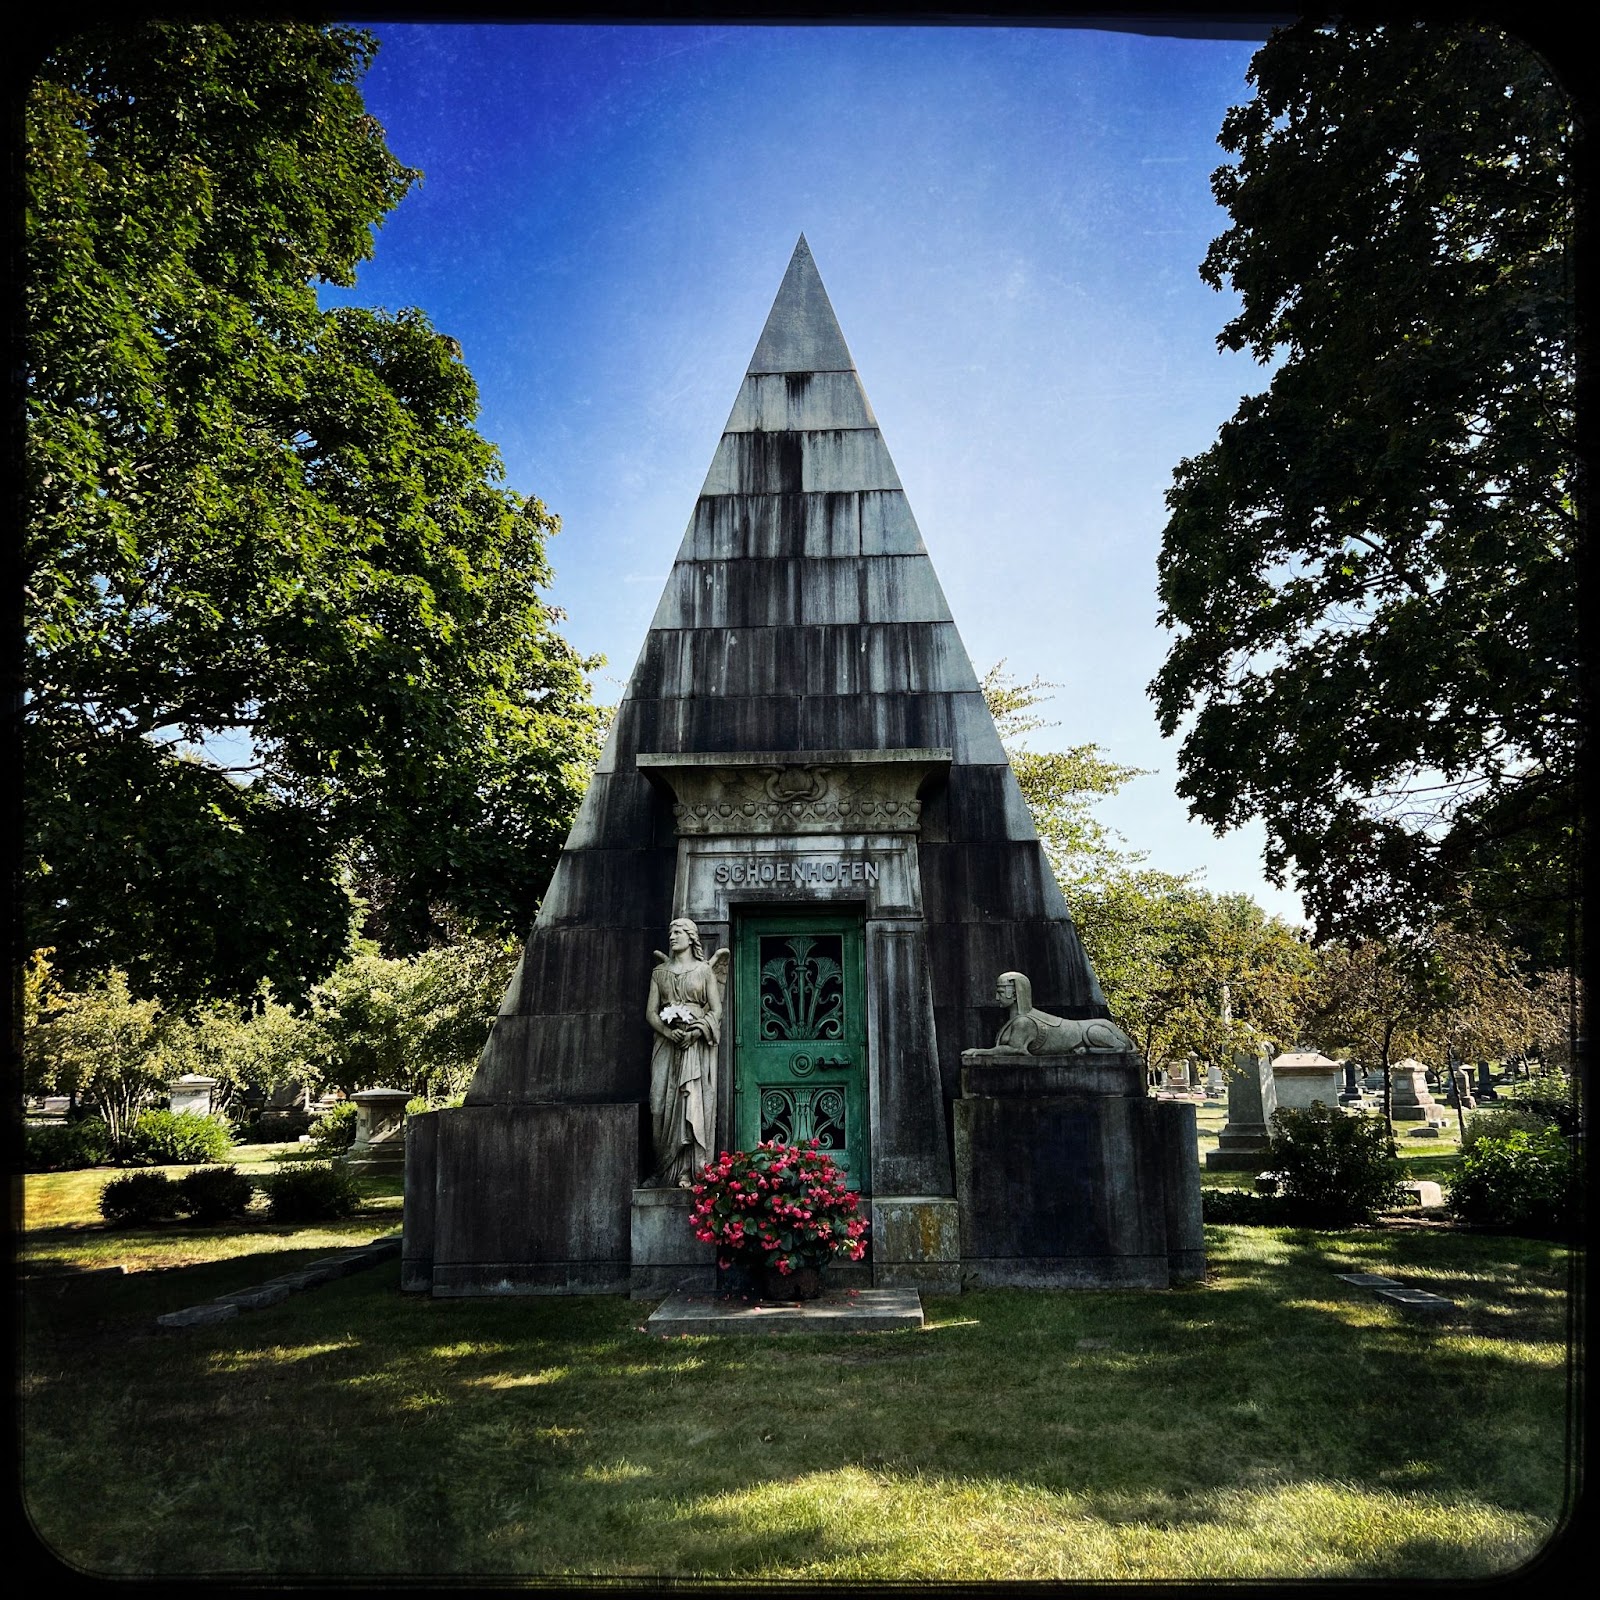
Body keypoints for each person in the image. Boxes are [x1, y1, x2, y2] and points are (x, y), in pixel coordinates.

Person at [645, 918, 728, 1186]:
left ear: (691, 938)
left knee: (691, 1102)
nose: (672, 936)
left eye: (678, 932)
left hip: (695, 1045)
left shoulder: (704, 971)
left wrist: (695, 1031)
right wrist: (669, 1032)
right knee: (658, 1104)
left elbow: (716, 1010)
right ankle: (664, 1168)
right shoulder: (660, 973)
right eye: (670, 932)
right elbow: (650, 1013)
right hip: (666, 1044)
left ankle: (688, 1171)